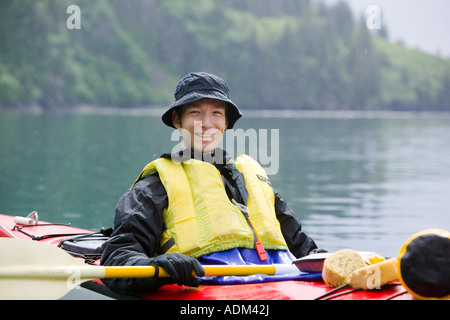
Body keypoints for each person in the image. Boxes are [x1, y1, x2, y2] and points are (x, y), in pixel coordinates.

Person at [100, 72, 324, 295]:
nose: (206, 124)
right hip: (207, 287)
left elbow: (305, 249)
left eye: (216, 113)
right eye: (195, 112)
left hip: (278, 285)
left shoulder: (252, 180)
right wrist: (157, 267)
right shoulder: (154, 187)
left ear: (226, 122)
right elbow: (119, 256)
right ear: (178, 120)